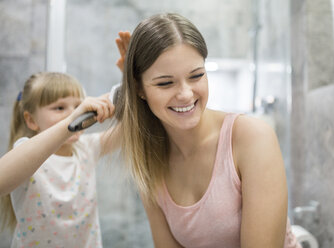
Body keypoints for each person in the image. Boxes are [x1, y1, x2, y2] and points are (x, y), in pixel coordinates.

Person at [114, 13, 301, 248]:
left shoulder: (252, 138)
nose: (185, 94)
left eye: (196, 76)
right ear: (139, 88)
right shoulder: (150, 163)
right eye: (165, 83)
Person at [0, 72, 119, 247]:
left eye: (79, 105)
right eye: (59, 108)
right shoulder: (27, 152)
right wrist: (70, 121)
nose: (76, 112)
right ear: (31, 120)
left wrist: (132, 79)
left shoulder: (86, 148)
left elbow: (128, 129)